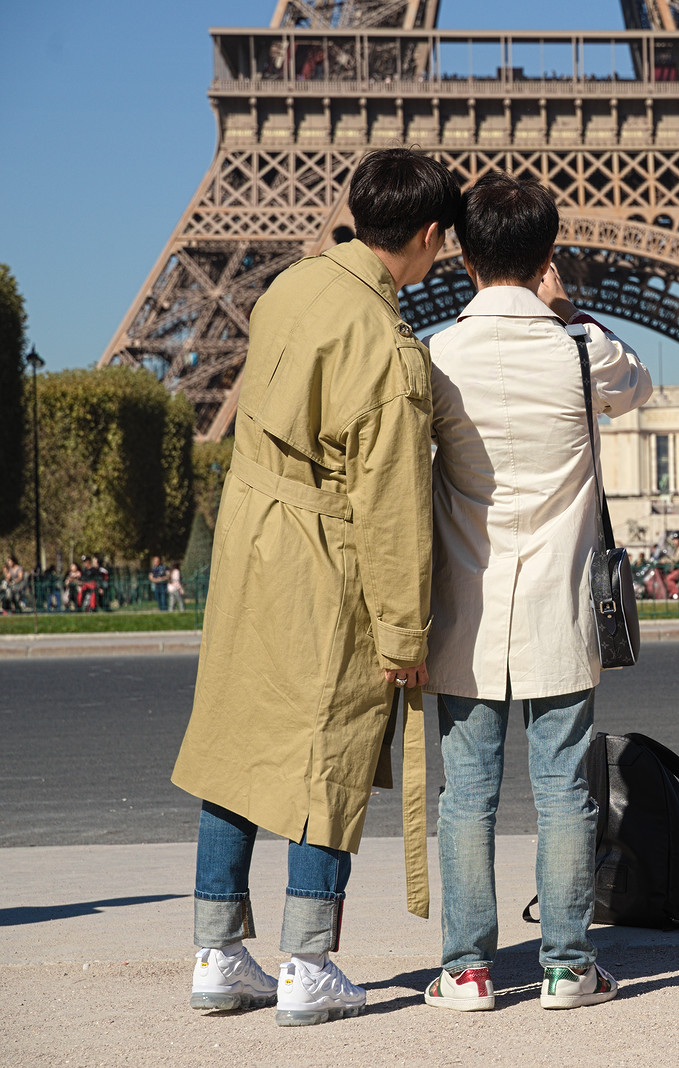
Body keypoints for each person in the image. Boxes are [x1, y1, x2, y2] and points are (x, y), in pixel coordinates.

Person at [170, 147, 458, 1025]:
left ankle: (216, 951)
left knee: (237, 742)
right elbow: (393, 502)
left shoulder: (290, 287)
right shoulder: (387, 344)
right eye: (440, 243)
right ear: (429, 234)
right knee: (324, 756)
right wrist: (405, 635)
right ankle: (307, 962)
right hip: (325, 557)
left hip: (252, 536)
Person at [423, 171, 651, 1012]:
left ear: (460, 252)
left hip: (463, 613)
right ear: (548, 253)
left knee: (466, 797)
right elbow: (638, 389)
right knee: (566, 792)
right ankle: (565, 967)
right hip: (562, 605)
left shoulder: (436, 354)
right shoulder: (582, 349)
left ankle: (467, 970)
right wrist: (568, 311)